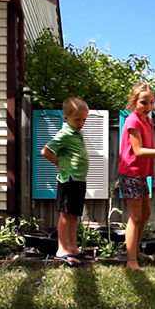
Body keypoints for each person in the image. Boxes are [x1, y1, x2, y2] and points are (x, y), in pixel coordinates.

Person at [118, 83, 155, 271]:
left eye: (152, 102)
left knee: (145, 214)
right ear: (134, 102)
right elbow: (138, 151)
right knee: (135, 217)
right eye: (144, 102)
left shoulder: (148, 120)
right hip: (131, 172)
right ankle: (130, 260)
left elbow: (150, 146)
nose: (149, 106)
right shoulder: (133, 121)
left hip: (142, 173)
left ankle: (135, 251)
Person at [41, 96, 92, 267]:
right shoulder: (64, 134)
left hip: (78, 179)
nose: (81, 123)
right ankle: (62, 249)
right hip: (68, 179)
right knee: (65, 214)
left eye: (84, 119)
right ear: (66, 118)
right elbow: (45, 151)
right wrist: (59, 163)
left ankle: (73, 247)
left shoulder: (76, 134)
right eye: (77, 119)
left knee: (73, 215)